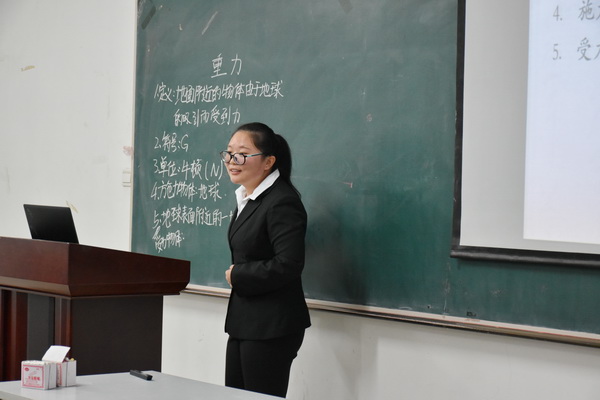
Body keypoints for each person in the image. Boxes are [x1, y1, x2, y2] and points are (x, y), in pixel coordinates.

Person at [220, 122, 311, 398]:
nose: (232, 160)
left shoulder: (281, 201)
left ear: (268, 162)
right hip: (245, 322)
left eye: (242, 154)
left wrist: (238, 275)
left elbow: (289, 263)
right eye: (229, 153)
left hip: (272, 325)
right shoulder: (247, 198)